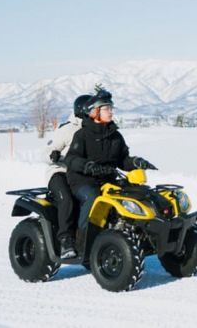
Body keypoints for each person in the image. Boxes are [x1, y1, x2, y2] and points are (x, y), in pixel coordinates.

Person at [65, 89, 156, 255]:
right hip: (82, 180)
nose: (111, 111)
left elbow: (123, 159)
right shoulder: (82, 135)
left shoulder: (115, 136)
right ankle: (82, 241)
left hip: (108, 178)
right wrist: (88, 166)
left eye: (111, 108)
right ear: (94, 112)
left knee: (133, 194)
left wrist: (135, 162)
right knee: (92, 196)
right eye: (107, 108)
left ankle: (134, 233)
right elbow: (71, 159)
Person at [44, 94, 91, 259]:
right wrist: (54, 155)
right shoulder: (67, 129)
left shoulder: (95, 130)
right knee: (67, 199)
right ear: (84, 111)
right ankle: (66, 241)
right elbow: (46, 151)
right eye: (93, 110)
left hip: (84, 175)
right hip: (60, 172)